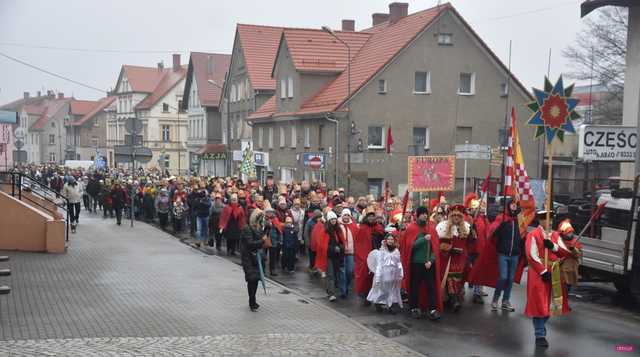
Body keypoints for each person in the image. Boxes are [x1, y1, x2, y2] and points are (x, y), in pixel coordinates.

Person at [524, 210, 571, 348]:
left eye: (551, 219)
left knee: (552, 304)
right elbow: (531, 255)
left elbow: (565, 253)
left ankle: (540, 327)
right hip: (538, 274)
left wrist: (553, 246)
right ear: (540, 220)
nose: (549, 222)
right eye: (546, 219)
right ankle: (540, 335)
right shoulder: (533, 235)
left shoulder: (555, 235)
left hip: (554, 272)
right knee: (539, 304)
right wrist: (543, 271)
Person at [400, 206, 443, 320]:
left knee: (431, 287)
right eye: (422, 213)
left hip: (428, 264)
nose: (425, 215)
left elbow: (435, 249)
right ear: (418, 215)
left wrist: (431, 260)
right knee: (414, 286)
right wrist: (423, 239)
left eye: (426, 214)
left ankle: (432, 309)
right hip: (416, 263)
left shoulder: (431, 228)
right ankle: (414, 307)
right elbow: (410, 247)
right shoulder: (411, 228)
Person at [488, 201, 524, 312]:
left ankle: (505, 301)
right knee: (503, 277)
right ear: (508, 206)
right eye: (512, 203)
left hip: (514, 254)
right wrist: (500, 227)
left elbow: (523, 236)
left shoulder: (520, 220)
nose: (514, 205)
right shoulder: (502, 218)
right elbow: (493, 233)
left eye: (516, 204)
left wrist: (521, 250)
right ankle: (495, 299)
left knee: (510, 279)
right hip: (503, 253)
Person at [436, 204, 471, 312]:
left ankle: (454, 298)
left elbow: (470, 244)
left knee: (458, 279)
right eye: (454, 215)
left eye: (459, 216)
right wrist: (449, 249)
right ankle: (453, 300)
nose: (456, 218)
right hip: (448, 257)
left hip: (461, 258)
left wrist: (474, 232)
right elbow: (439, 243)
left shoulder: (466, 227)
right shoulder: (442, 227)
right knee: (450, 278)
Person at [367, 232, 404, 313]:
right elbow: (379, 264)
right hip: (383, 274)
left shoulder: (396, 251)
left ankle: (391, 305)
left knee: (392, 290)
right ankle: (378, 303)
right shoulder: (382, 251)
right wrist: (378, 275)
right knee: (382, 290)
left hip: (393, 274)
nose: (390, 241)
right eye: (389, 239)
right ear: (386, 240)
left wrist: (400, 273)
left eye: (392, 239)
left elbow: (398, 262)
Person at [241, 209, 268, 312]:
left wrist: (266, 231)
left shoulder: (258, 227)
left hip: (256, 257)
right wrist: (262, 240)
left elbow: (260, 238)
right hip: (248, 257)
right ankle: (251, 301)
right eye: (259, 219)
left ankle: (253, 300)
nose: (260, 221)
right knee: (251, 279)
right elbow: (250, 244)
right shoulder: (247, 229)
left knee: (256, 279)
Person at [354, 210, 383, 305]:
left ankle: (378, 301)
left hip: (377, 255)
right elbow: (359, 243)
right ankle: (366, 295)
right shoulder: (362, 228)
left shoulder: (378, 227)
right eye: (369, 216)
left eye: (372, 216)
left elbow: (383, 239)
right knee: (366, 276)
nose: (371, 218)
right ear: (366, 217)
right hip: (365, 256)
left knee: (377, 277)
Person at [315, 211, 345, 302]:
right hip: (328, 256)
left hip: (337, 256)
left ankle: (330, 290)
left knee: (335, 274)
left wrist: (340, 248)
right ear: (329, 220)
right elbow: (322, 245)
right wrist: (333, 249)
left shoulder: (338, 230)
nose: (333, 221)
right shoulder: (325, 231)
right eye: (332, 219)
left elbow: (342, 242)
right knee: (330, 274)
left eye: (335, 219)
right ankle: (331, 293)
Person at [558, 219, 582, 293]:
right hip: (561, 269)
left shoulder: (575, 242)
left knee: (566, 288)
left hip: (571, 269)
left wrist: (573, 249)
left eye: (571, 232)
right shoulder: (559, 241)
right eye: (568, 233)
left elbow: (578, 255)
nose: (570, 234)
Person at [338, 208, 358, 298]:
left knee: (349, 271)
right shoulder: (338, 225)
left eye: (348, 215)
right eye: (345, 215)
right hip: (341, 252)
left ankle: (346, 286)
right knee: (342, 271)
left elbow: (357, 239)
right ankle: (343, 290)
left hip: (351, 252)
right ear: (342, 216)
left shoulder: (353, 226)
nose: (346, 217)